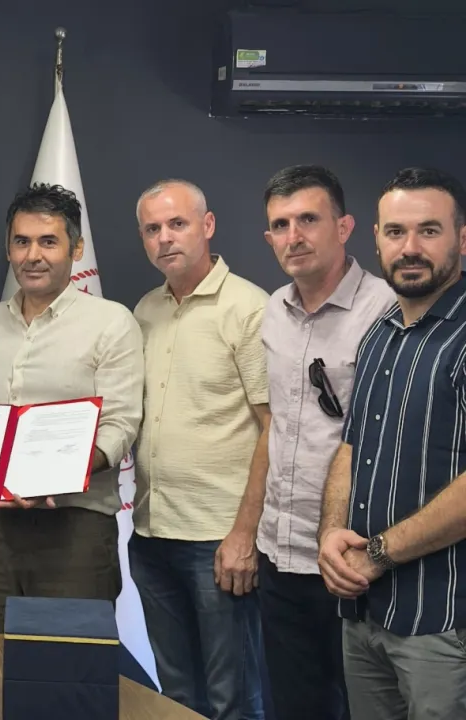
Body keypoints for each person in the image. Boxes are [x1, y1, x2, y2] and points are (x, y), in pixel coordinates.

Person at [0, 183, 143, 632]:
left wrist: (53, 476)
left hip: (75, 525)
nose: (32, 255)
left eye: (48, 242)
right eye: (21, 242)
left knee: (69, 662)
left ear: (76, 249)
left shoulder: (111, 322)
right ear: (8, 249)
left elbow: (119, 426)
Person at [317, 167, 466, 720]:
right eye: (396, 232)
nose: (410, 248)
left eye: (429, 231)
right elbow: (351, 447)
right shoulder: (380, 335)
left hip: (443, 621)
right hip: (364, 613)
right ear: (376, 238)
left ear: (462, 238)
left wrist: (378, 553)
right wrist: (331, 532)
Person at [252, 165, 393, 720]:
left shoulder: (386, 310)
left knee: (365, 707)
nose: (294, 236)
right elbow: (277, 426)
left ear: (345, 227)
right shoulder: (273, 310)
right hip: (280, 552)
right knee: (293, 707)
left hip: (351, 559)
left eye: (308, 219)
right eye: (280, 225)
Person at [131, 179, 267, 720]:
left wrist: (244, 535)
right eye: (152, 229)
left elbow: (275, 428)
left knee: (234, 699)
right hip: (150, 535)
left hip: (218, 540)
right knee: (175, 697)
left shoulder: (249, 309)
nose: (165, 238)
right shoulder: (145, 311)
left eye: (177, 224)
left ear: (207, 226)